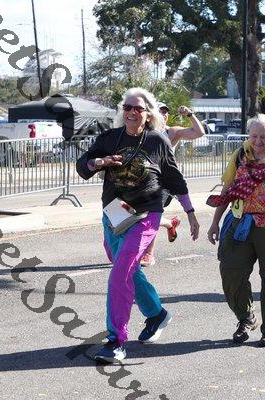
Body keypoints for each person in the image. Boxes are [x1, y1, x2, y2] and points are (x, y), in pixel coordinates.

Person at [76, 87, 199, 363]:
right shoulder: (110, 138)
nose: (132, 112)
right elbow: (83, 165)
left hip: (146, 214)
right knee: (124, 267)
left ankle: (116, 341)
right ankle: (156, 313)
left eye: (138, 108)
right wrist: (97, 162)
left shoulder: (157, 141)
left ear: (148, 113)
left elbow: (174, 178)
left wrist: (190, 211)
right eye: (127, 107)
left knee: (121, 272)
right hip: (114, 212)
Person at [207, 114, 265, 348]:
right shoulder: (240, 154)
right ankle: (246, 318)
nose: (258, 141)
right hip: (240, 223)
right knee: (231, 272)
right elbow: (227, 189)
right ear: (248, 135)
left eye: (264, 136)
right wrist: (215, 222)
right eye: (254, 136)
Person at [139, 102, 206, 267]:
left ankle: (149, 253)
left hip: (165, 182)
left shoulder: (171, 132)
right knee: (136, 214)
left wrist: (189, 114)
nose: (164, 114)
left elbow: (199, 132)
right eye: (160, 111)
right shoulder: (142, 131)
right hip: (144, 180)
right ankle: (170, 223)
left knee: (151, 213)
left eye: (166, 111)